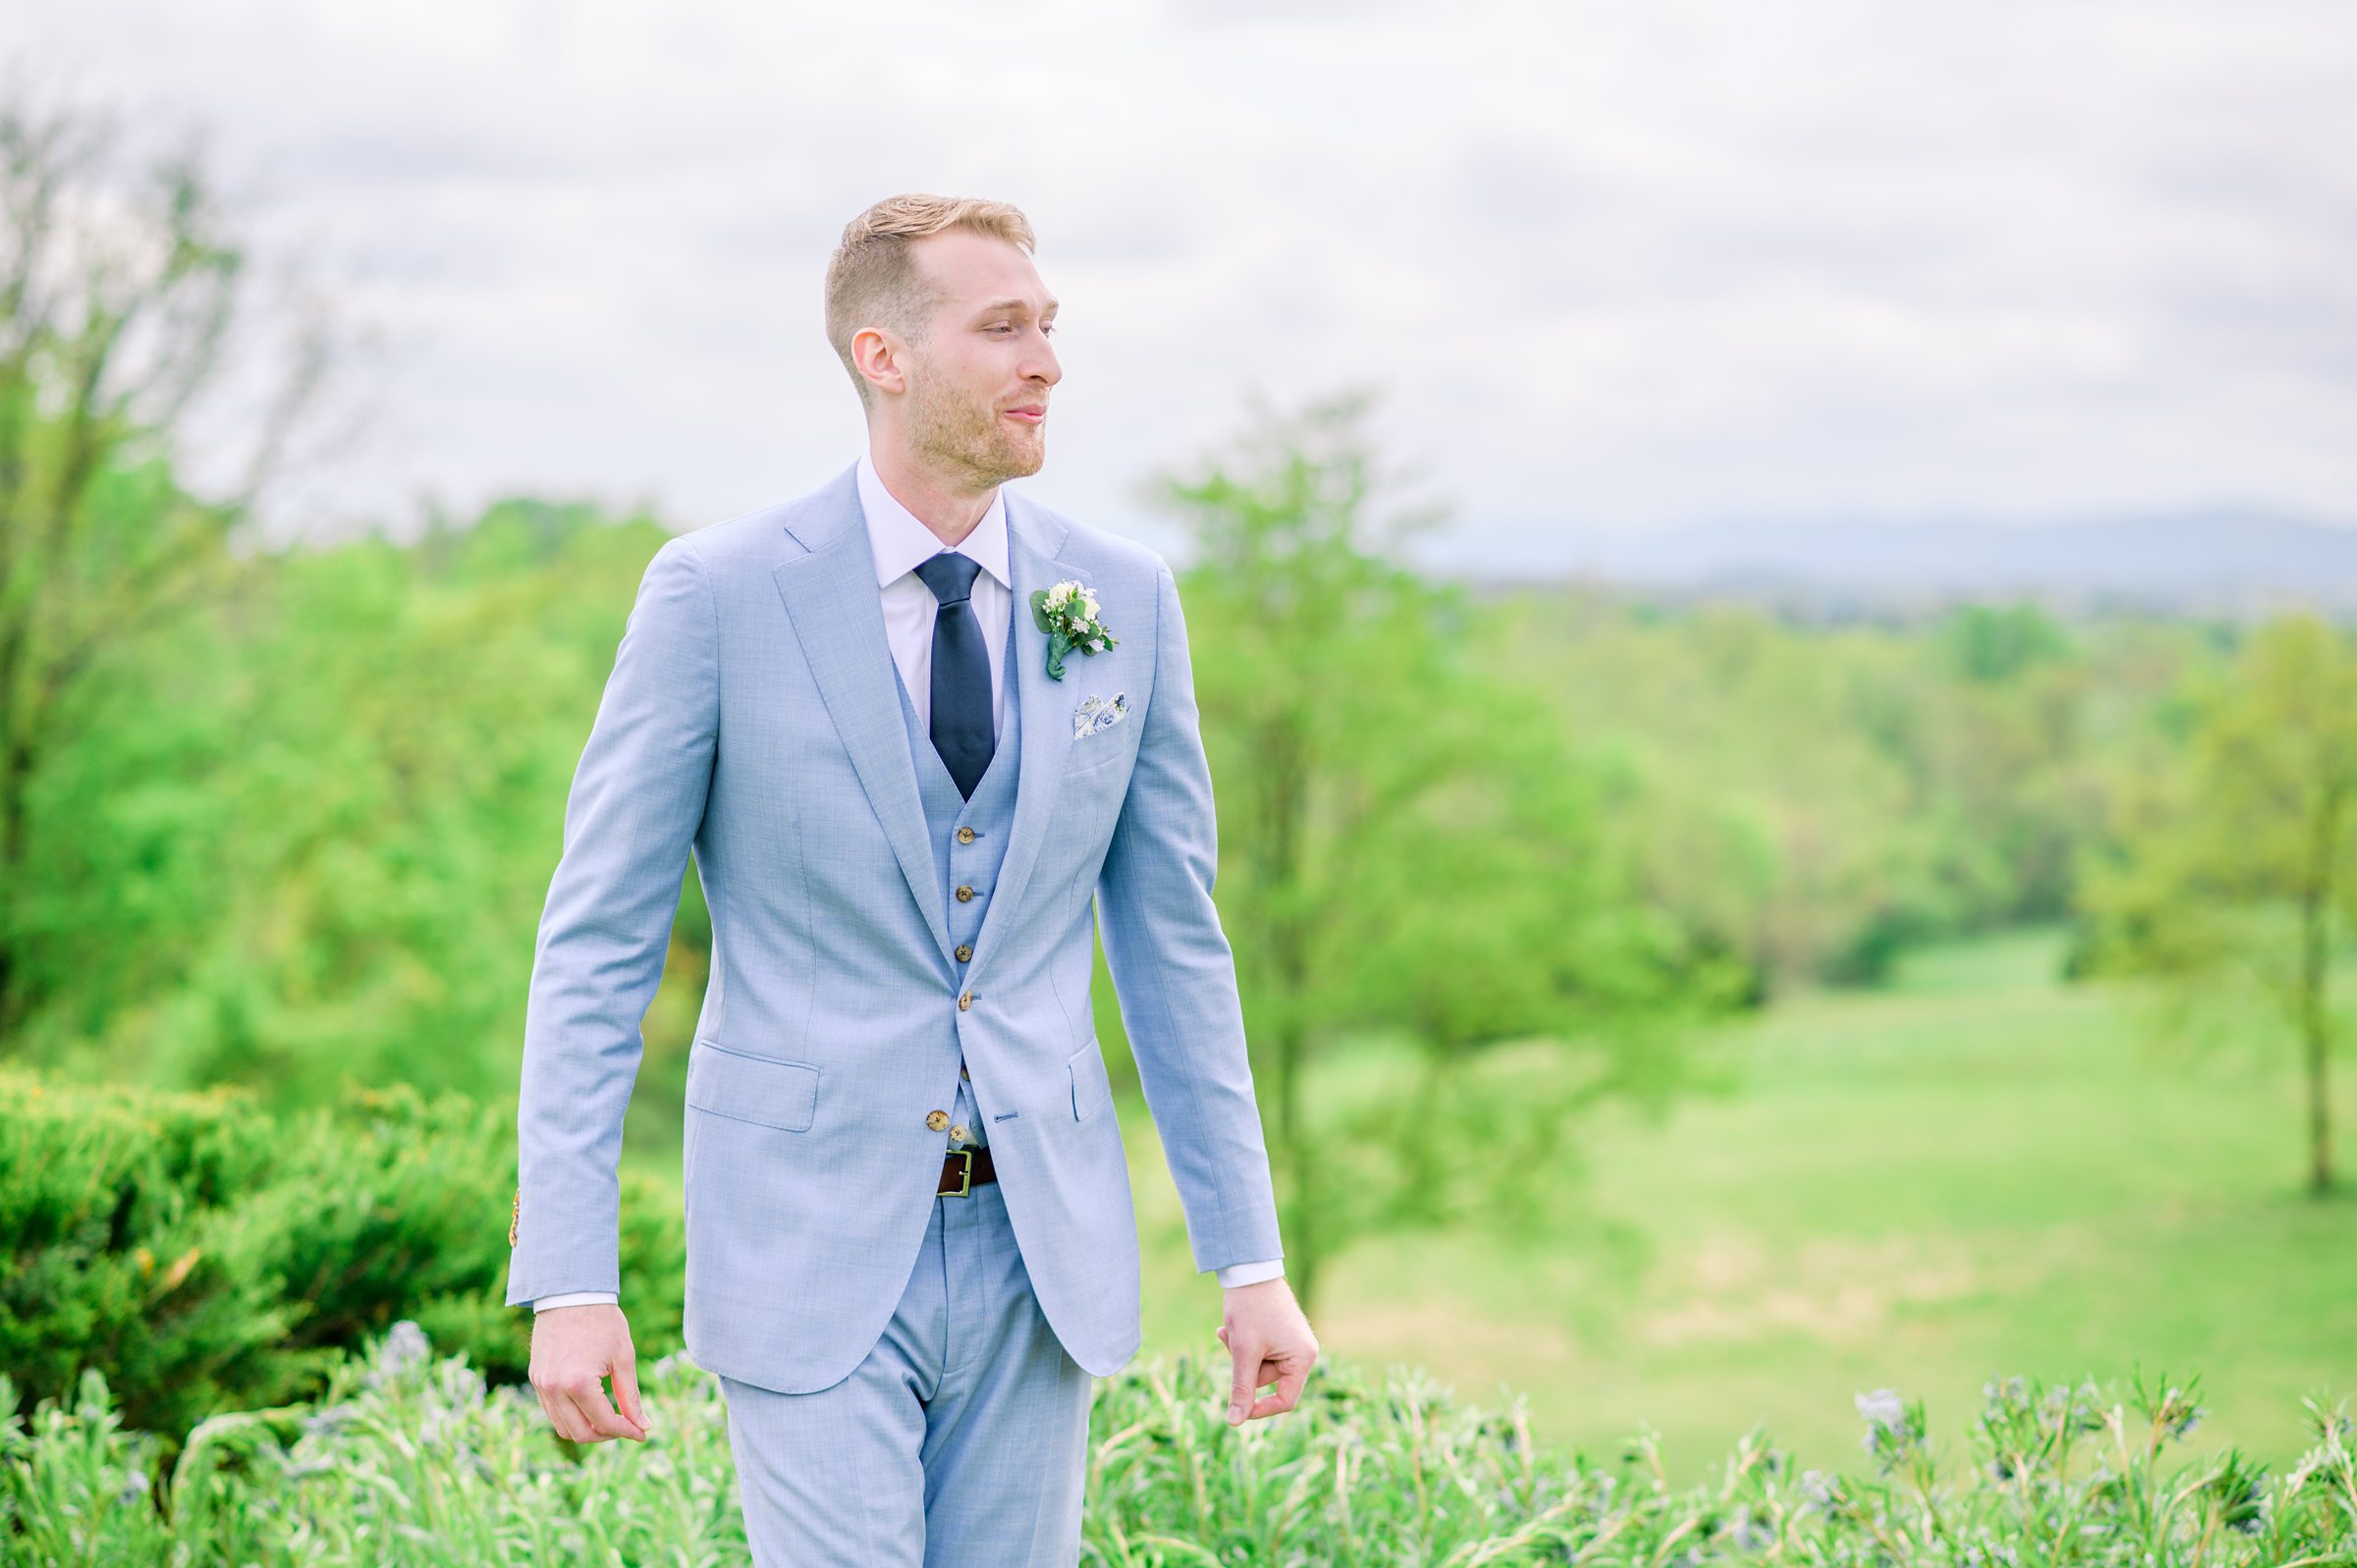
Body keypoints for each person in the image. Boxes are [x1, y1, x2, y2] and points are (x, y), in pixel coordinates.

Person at [503, 192, 1320, 1565]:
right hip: (803, 1241)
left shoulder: (1123, 600)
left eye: (1049, 326)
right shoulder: (716, 596)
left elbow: (1178, 948)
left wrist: (1250, 1259)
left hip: (1035, 1252)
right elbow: (597, 945)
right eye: (1003, 327)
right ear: (883, 356)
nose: (1047, 362)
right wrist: (573, 1274)